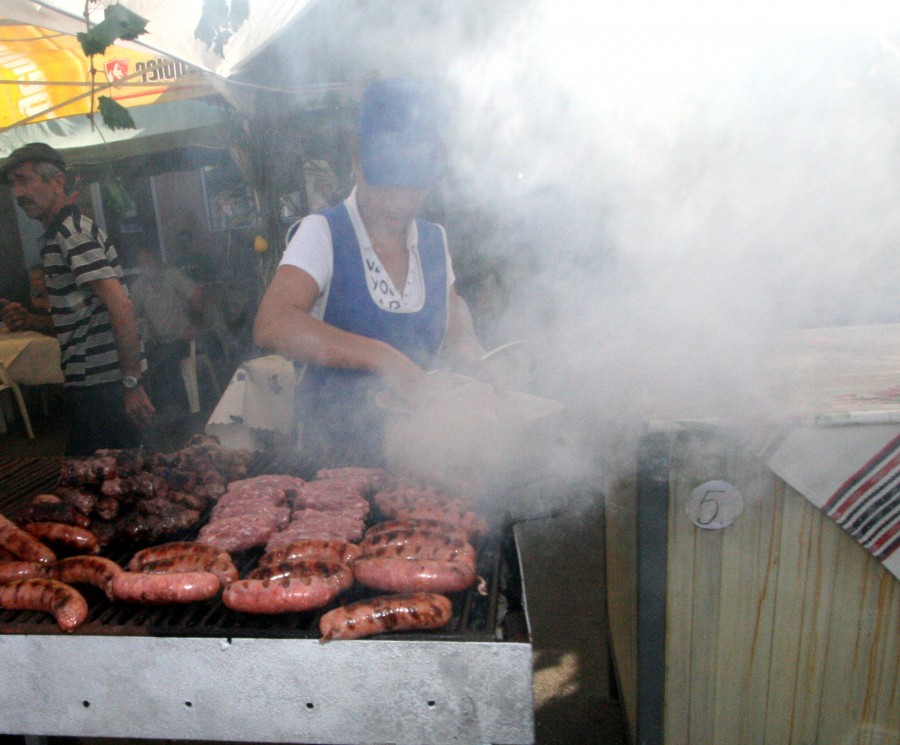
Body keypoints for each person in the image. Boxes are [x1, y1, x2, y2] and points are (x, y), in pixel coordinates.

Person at [254, 77, 485, 467]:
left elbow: (453, 322)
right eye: (387, 188)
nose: (399, 204)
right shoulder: (323, 233)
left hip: (421, 459)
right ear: (357, 162)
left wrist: (470, 355)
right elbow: (273, 324)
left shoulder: (434, 240)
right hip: (334, 467)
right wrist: (385, 358)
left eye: (412, 189)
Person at [0, 142, 154, 455]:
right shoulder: (58, 235)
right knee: (104, 481)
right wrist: (30, 321)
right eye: (13, 184)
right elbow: (80, 321)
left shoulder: (72, 233)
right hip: (91, 387)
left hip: (106, 388)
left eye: (24, 180)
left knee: (111, 483)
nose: (17, 193)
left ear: (56, 181)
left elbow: (120, 305)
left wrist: (131, 384)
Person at [129, 247, 205, 409]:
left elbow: (197, 293)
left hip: (182, 339)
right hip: (159, 342)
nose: (146, 266)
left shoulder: (172, 275)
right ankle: (157, 410)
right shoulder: (139, 286)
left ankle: (180, 411)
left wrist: (196, 325)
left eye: (149, 261)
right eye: (142, 263)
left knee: (166, 362)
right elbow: (132, 315)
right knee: (143, 362)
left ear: (157, 261)